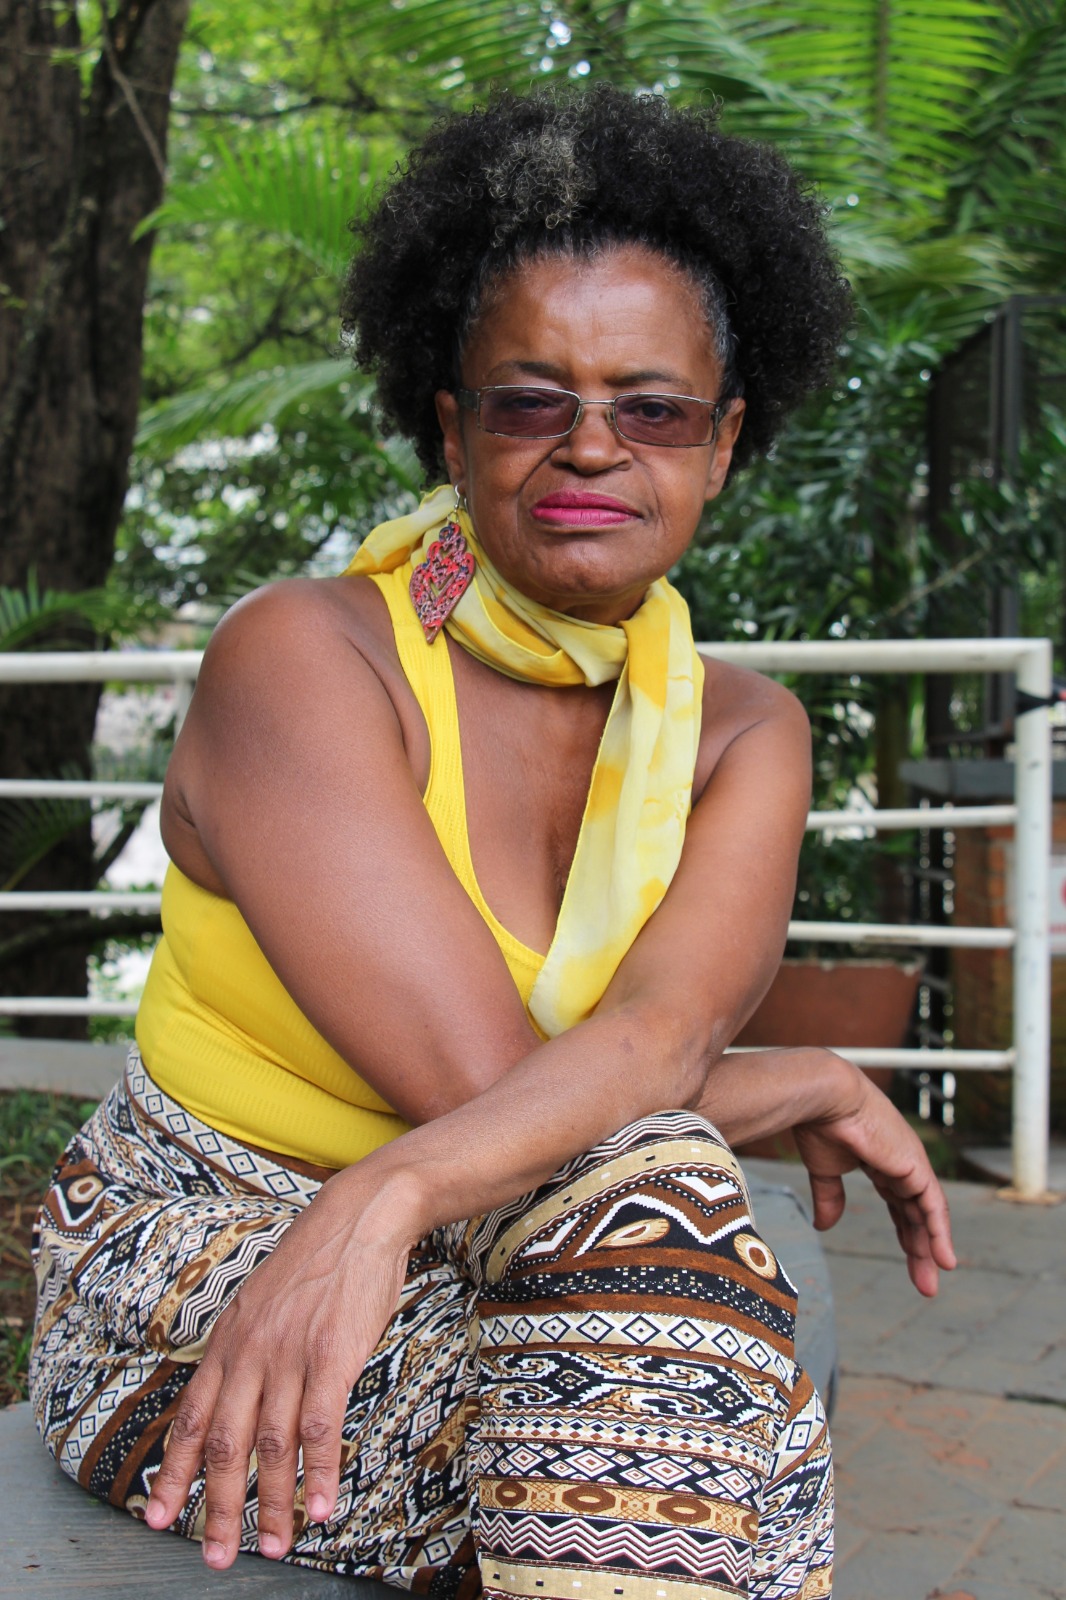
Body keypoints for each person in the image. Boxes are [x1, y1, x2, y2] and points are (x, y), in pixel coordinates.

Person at [31, 87, 955, 1599]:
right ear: (453, 429)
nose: (591, 447)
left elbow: (650, 1045)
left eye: (651, 409)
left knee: (671, 1338)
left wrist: (391, 1191)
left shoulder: (743, 733)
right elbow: (501, 1092)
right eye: (532, 402)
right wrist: (797, 1079)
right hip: (213, 1260)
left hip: (497, 1237)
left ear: (722, 442)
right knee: (696, 1346)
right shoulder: (308, 658)